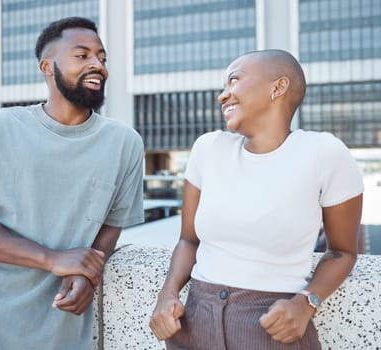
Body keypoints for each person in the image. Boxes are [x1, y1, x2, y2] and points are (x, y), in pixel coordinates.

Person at [0, 16, 144, 350]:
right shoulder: (0, 127)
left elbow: (111, 224)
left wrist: (88, 272)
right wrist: (52, 258)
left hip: (63, 336)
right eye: (82, 55)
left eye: (102, 58)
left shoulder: (125, 143)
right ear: (48, 67)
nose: (97, 65)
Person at [149, 49, 363, 349]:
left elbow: (343, 252)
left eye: (234, 80)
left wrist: (306, 303)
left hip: (274, 328)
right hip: (193, 323)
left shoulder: (324, 153)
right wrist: (167, 295)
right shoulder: (208, 149)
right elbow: (188, 240)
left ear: (278, 87)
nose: (223, 96)